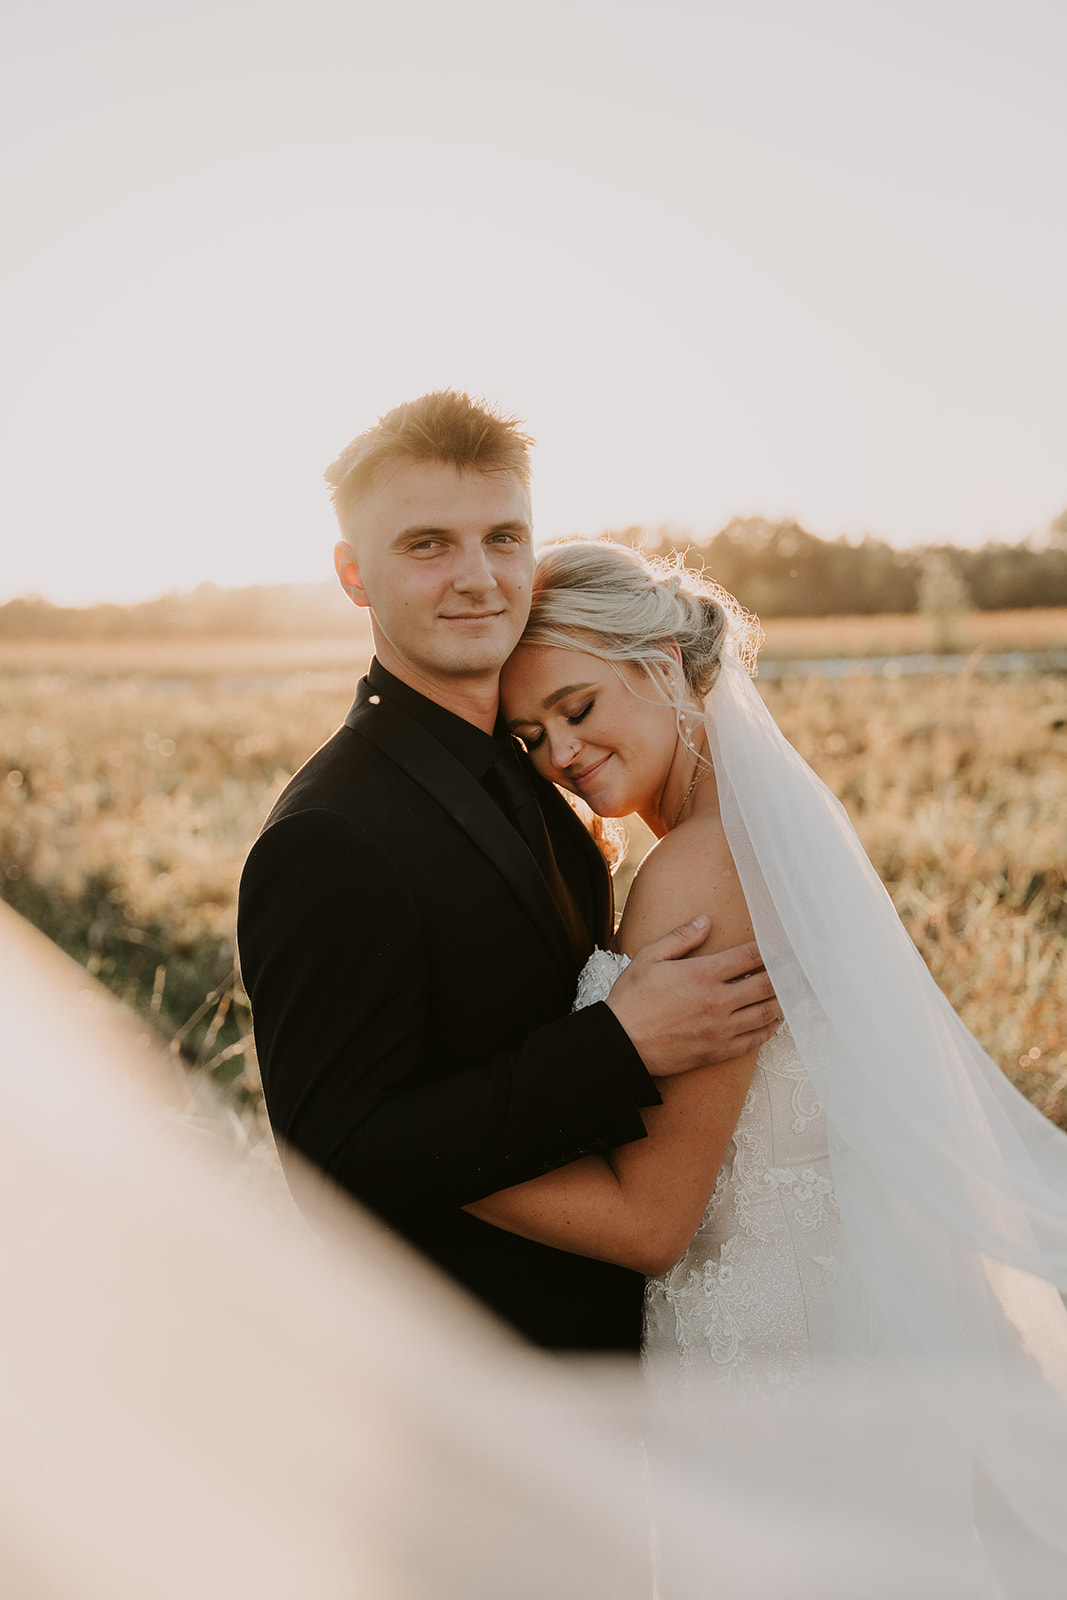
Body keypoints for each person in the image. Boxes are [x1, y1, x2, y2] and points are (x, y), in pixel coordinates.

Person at [467, 534, 1067, 1567]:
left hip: (762, 1357)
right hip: (819, 1331)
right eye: (528, 736)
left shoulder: (695, 874)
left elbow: (655, 1219)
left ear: (658, 667)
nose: (559, 754)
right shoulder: (747, 834)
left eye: (576, 707)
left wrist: (410, 1154)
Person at [236, 390, 781, 1353]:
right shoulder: (329, 835)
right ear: (353, 575)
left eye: (503, 536)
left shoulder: (542, 777)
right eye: (426, 544)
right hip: (471, 1383)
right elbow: (336, 1161)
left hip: (612, 1373)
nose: (478, 577)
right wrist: (617, 1045)